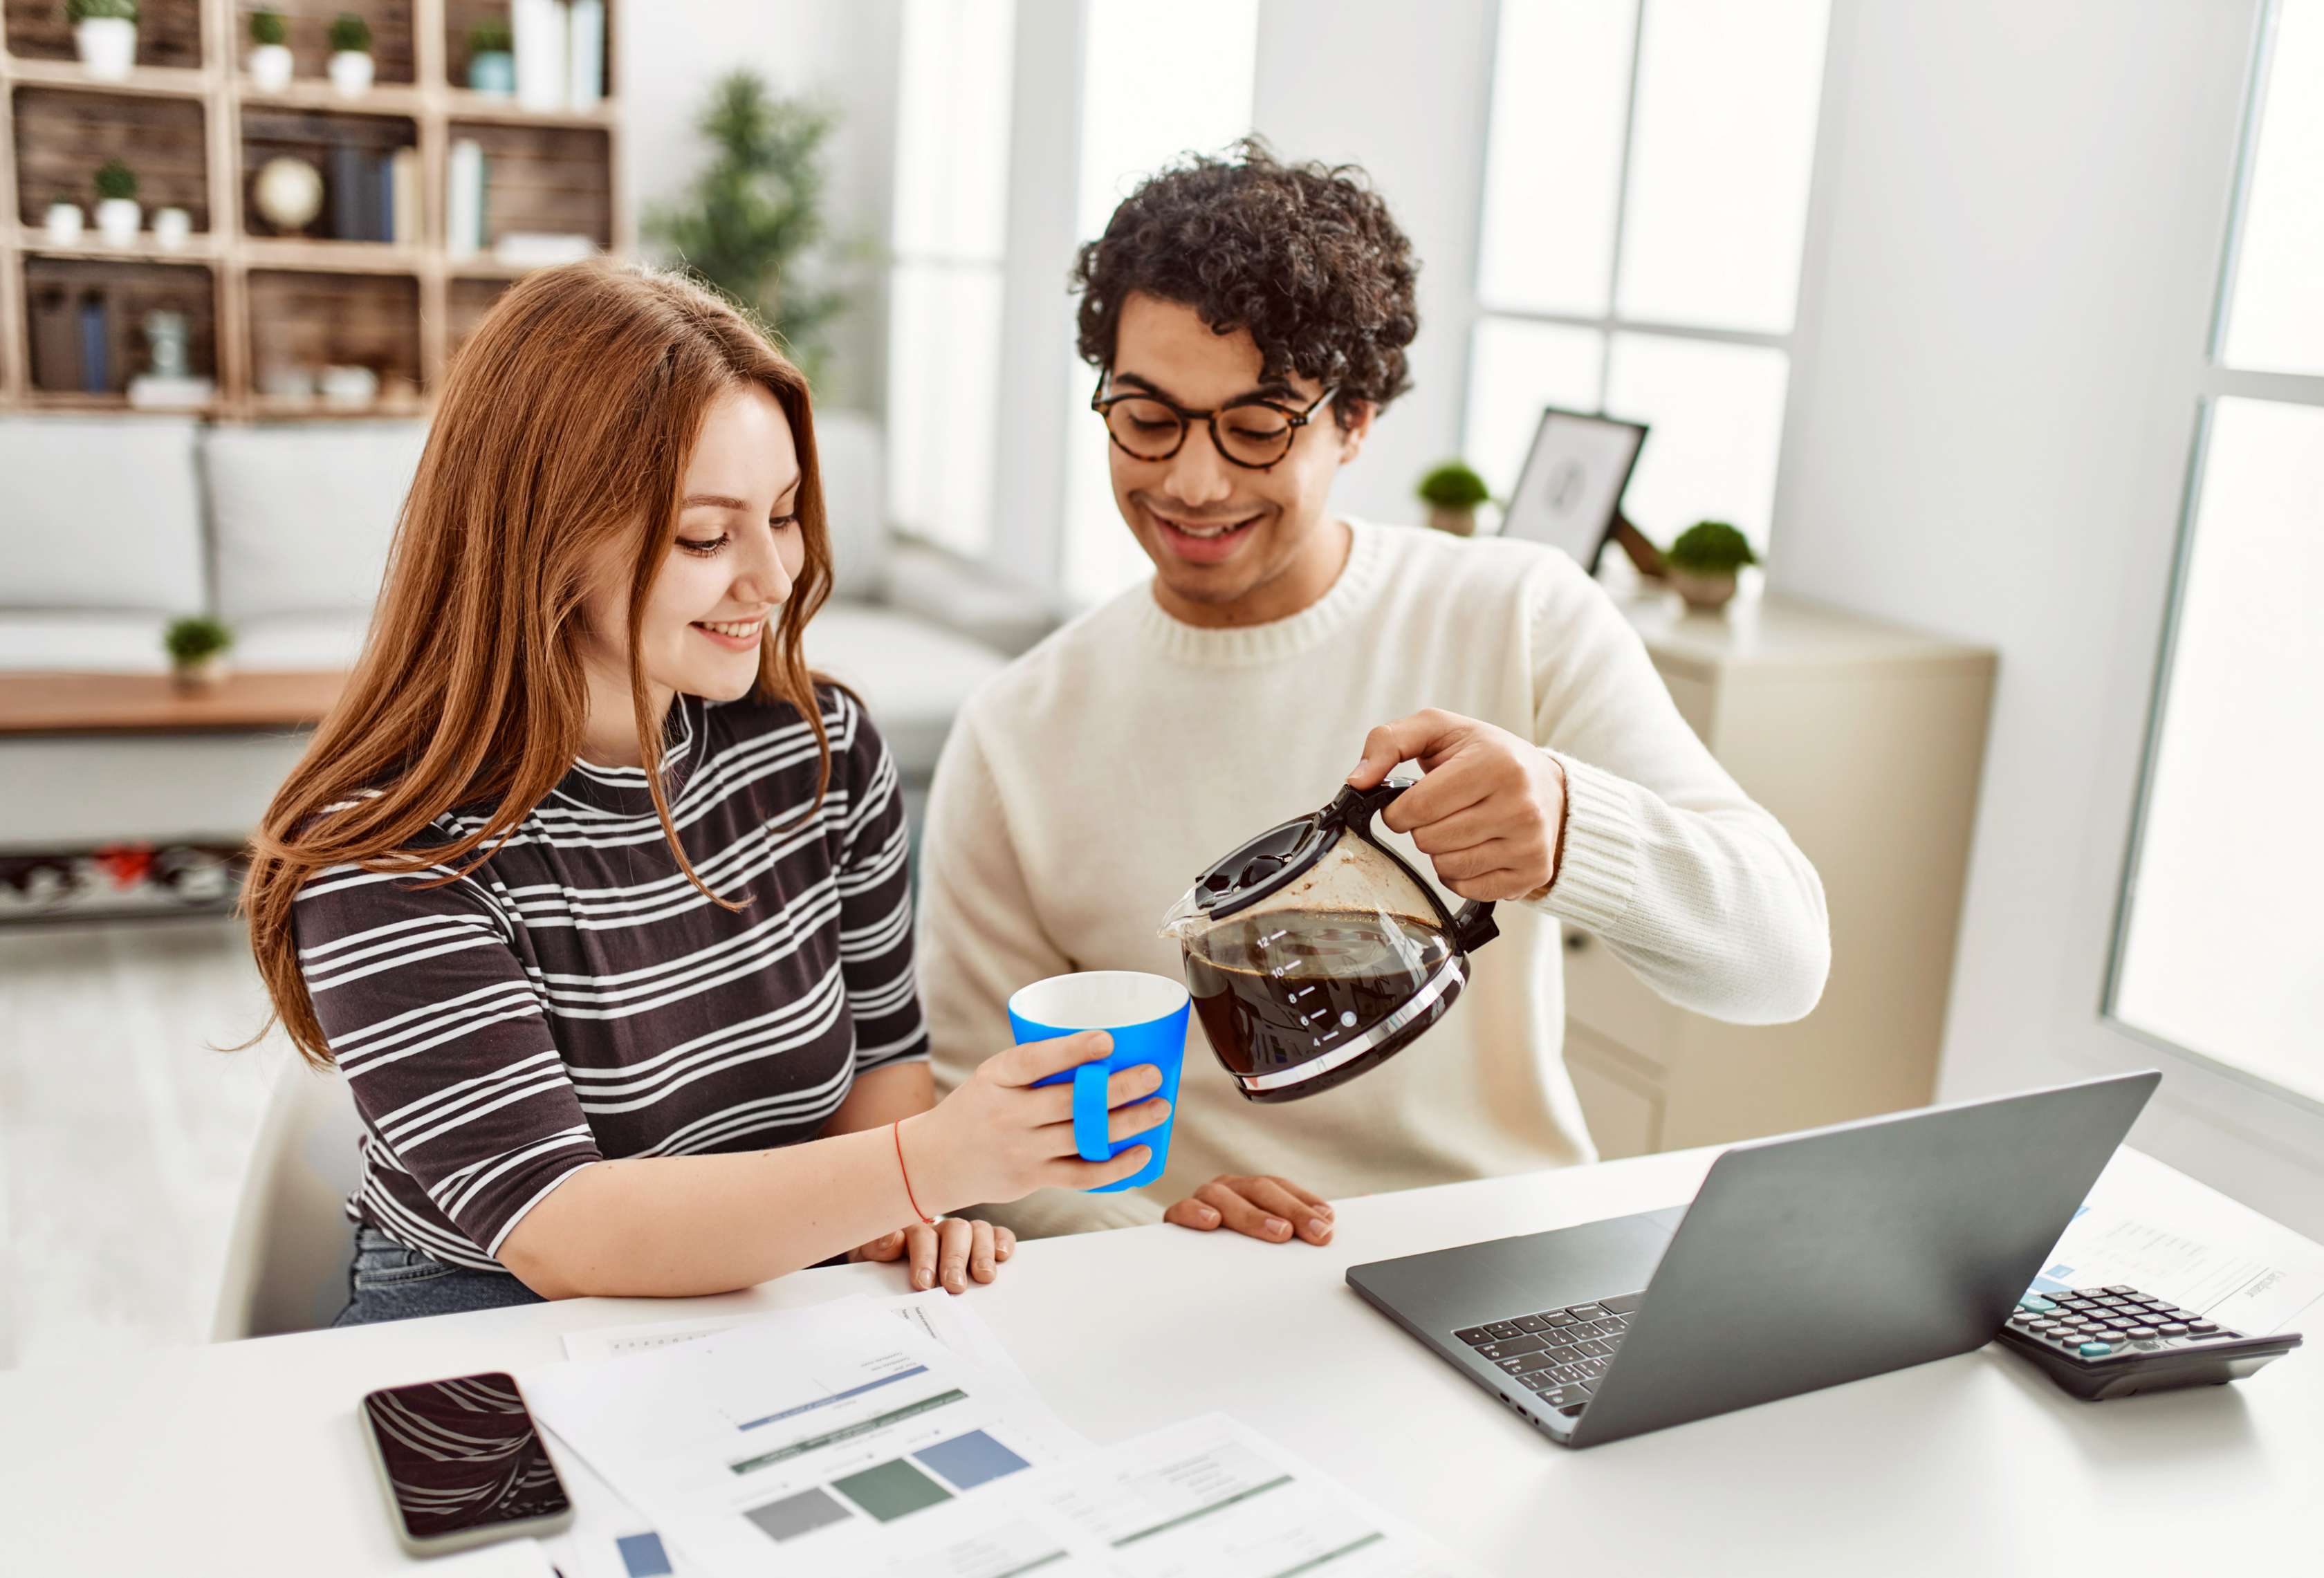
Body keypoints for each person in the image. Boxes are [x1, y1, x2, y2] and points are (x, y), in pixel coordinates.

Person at [918, 142, 1831, 1244]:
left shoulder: (1519, 613)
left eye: (1258, 427)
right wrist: (1148, 1233)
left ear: (1355, 419)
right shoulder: (1018, 730)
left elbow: (1783, 963)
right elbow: (968, 1107)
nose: (1193, 482)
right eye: (1148, 419)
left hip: (1500, 1250)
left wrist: (1571, 826)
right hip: (1198, 1281)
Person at [239, 262, 1170, 1325]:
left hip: (775, 1298)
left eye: (784, 515)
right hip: (490, 1318)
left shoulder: (818, 750)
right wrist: (926, 1167)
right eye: (705, 536)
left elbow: (883, 1065)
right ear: (546, 537)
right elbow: (564, 1231)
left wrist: (896, 1210)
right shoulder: (388, 851)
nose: (773, 578)